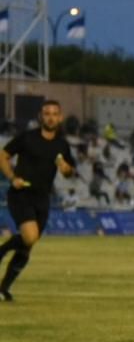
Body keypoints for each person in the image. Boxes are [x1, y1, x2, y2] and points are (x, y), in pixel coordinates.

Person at [0, 100, 77, 301]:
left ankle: (4, 288)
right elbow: (3, 155)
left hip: (43, 198)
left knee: (28, 245)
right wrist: (12, 177)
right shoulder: (27, 138)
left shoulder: (62, 145)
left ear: (60, 118)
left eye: (54, 114)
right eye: (47, 113)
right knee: (30, 236)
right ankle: (1, 251)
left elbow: (70, 172)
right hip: (21, 194)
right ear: (41, 116)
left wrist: (65, 168)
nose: (50, 117)